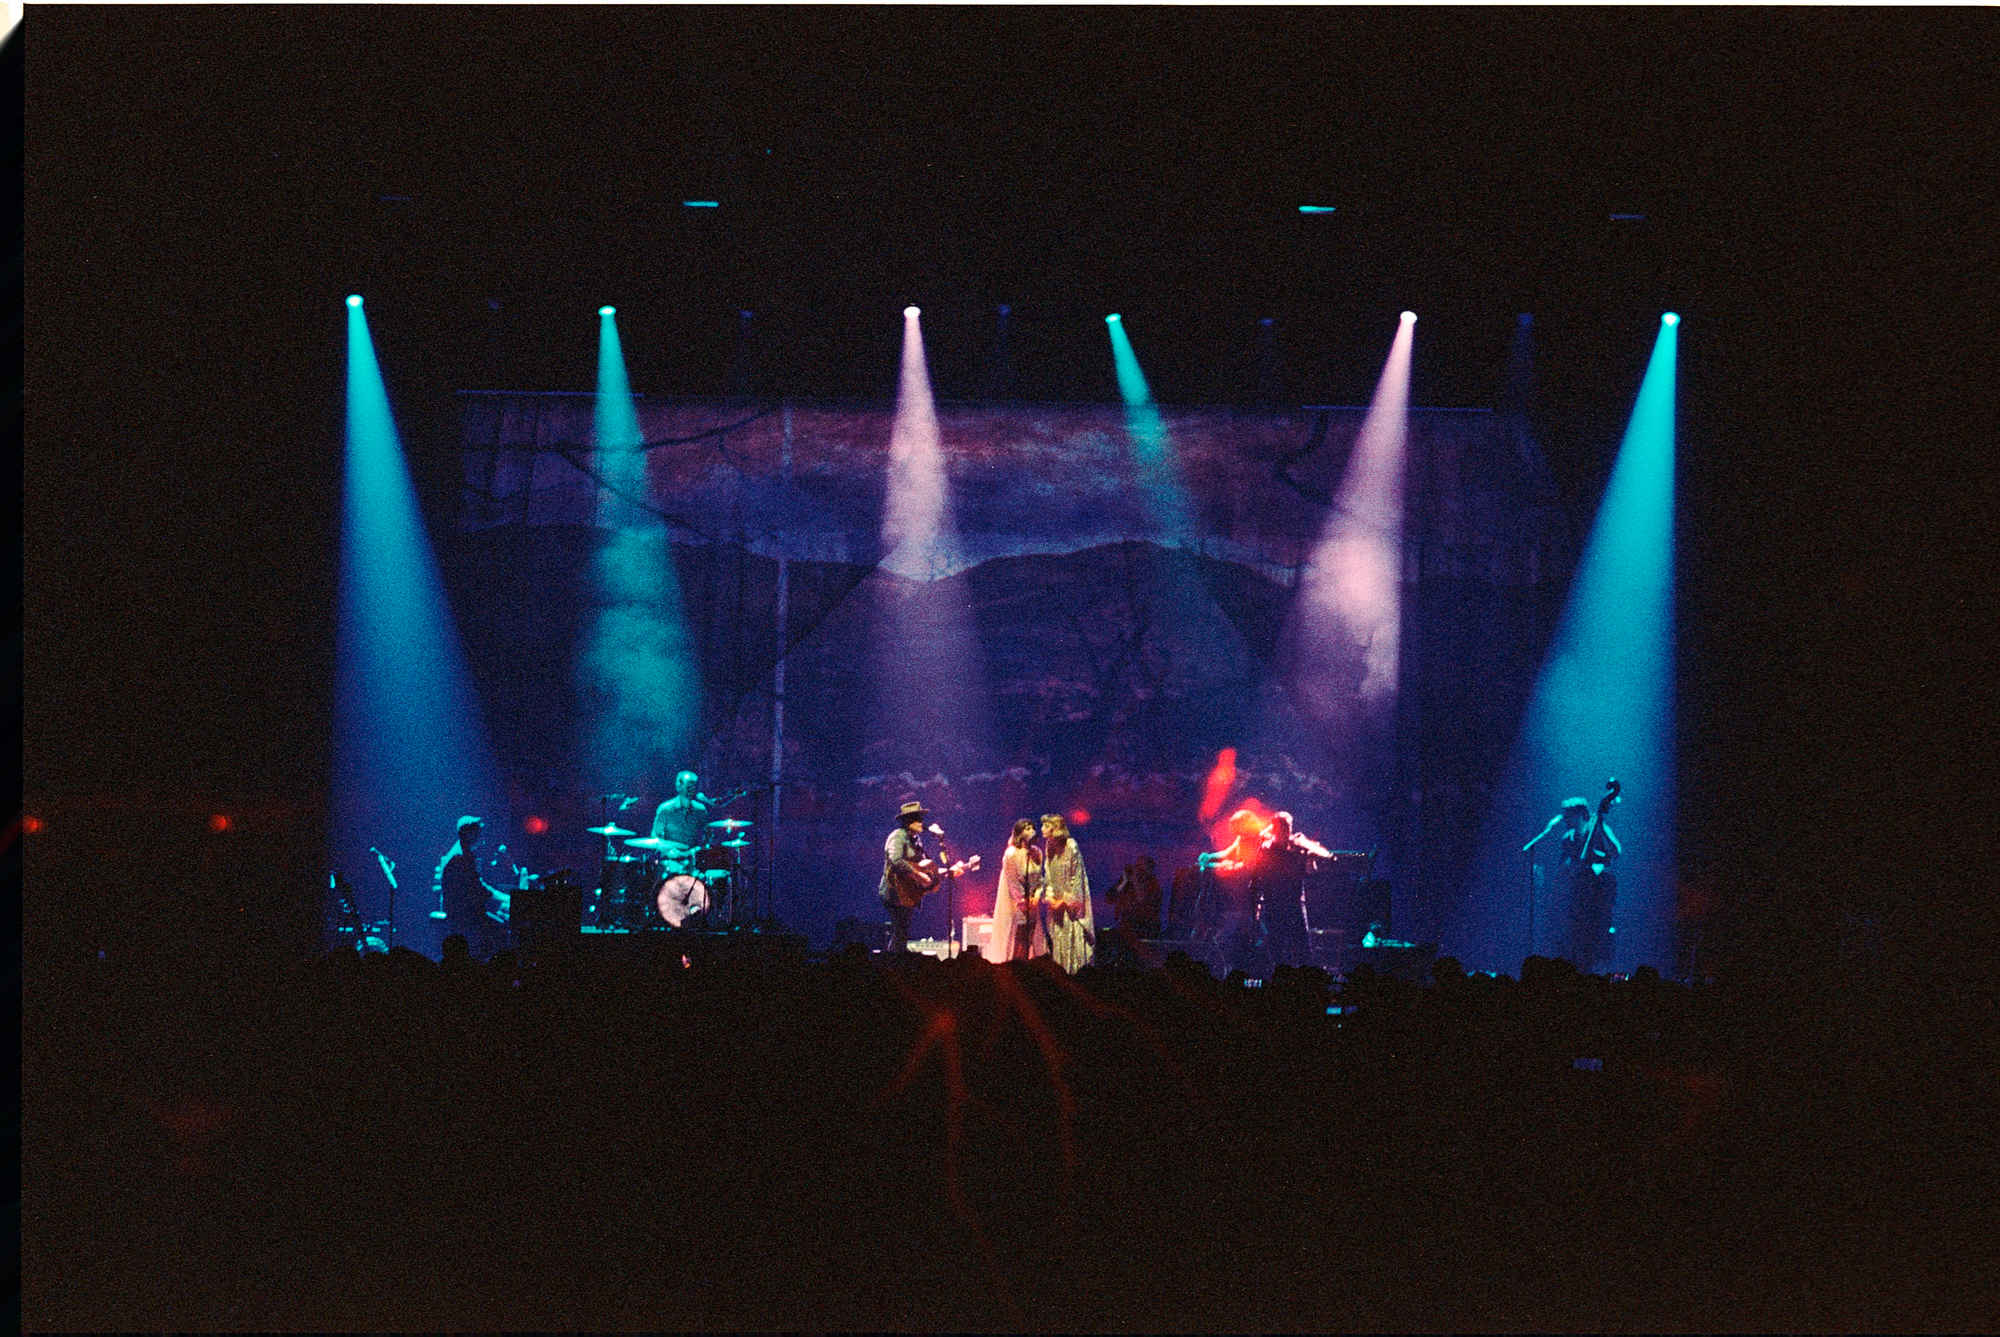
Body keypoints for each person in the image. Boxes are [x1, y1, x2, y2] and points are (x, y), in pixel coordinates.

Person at [1249, 812, 1331, 967]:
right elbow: (1257, 878)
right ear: (1275, 829)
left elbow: (1310, 871)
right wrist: (1256, 906)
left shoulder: (1297, 848)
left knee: (1302, 947)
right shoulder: (1266, 849)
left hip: (1294, 904)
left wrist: (1311, 858)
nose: (1287, 831)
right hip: (1273, 904)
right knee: (1277, 947)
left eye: (1288, 827)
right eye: (1283, 827)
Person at [1556, 795, 1620, 970]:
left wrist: (1600, 827)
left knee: (1599, 929)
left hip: (1600, 890)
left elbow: (1616, 852)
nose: (1564, 818)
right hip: (1579, 892)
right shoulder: (1568, 837)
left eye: (1568, 814)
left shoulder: (1597, 828)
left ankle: (1601, 966)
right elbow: (1565, 865)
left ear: (1580, 814)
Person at [432, 816, 509, 960]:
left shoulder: (460, 853)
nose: (481, 837)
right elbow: (478, 889)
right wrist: (504, 898)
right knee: (501, 931)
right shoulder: (460, 857)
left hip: (463, 912)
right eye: (478, 832)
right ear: (468, 834)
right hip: (463, 915)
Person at [1033, 813, 1094, 973]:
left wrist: (1066, 900)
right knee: (1058, 942)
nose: (1042, 829)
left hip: (1070, 908)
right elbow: (1048, 874)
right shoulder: (1049, 846)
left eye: (1046, 826)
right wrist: (1051, 898)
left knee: (1071, 940)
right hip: (1056, 906)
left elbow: (1077, 878)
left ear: (1055, 828)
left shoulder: (1071, 846)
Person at [878, 801, 934, 954]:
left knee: (903, 931)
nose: (922, 822)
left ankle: (896, 960)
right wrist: (917, 874)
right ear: (908, 821)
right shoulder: (897, 837)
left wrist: (948, 870)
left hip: (907, 893)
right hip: (894, 892)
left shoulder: (915, 840)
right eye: (918, 819)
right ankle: (893, 963)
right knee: (901, 931)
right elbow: (896, 861)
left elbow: (925, 865)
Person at [651, 770, 711, 859]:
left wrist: (696, 850)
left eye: (694, 785)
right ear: (679, 787)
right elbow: (655, 835)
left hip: (693, 857)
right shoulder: (665, 809)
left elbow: (707, 835)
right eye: (688, 785)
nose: (692, 789)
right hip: (671, 858)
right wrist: (668, 851)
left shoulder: (700, 809)